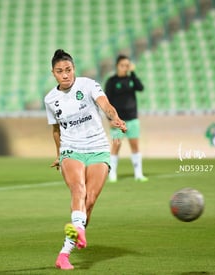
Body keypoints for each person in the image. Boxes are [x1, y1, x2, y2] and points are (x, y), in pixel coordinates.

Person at [44, 49, 127, 270]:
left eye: (68, 70)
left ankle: (64, 253)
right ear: (53, 73)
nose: (65, 75)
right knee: (78, 190)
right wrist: (59, 153)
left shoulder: (89, 85)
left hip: (98, 147)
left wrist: (115, 118)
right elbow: (56, 130)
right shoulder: (50, 99)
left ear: (74, 69)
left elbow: (105, 105)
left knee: (89, 201)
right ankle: (77, 233)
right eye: (60, 71)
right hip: (71, 149)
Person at [104, 54, 148, 183]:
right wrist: (110, 119)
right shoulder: (111, 81)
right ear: (117, 66)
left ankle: (138, 174)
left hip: (132, 118)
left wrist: (133, 73)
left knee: (135, 146)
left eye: (127, 65)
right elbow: (106, 102)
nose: (125, 68)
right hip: (117, 120)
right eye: (122, 65)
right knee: (116, 145)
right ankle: (112, 174)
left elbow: (141, 88)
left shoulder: (131, 79)